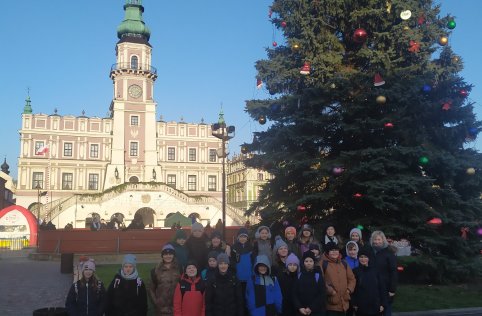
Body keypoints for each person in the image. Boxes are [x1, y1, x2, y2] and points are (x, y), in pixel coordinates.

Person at [321, 242, 356, 316]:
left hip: (344, 302)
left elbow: (352, 279)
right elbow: (319, 281)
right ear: (327, 252)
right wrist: (330, 291)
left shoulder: (344, 263)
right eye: (332, 250)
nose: (334, 252)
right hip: (330, 304)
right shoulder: (322, 264)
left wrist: (349, 290)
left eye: (336, 250)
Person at [352, 247, 387, 316]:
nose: (363, 259)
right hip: (361, 306)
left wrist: (383, 304)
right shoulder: (355, 271)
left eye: (365, 257)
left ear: (369, 258)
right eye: (361, 257)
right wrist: (354, 303)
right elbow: (353, 289)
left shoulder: (376, 271)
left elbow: (382, 288)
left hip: (376, 305)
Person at [370, 231, 397, 316]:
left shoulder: (389, 253)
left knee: (386, 310)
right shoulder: (370, 252)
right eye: (375, 239)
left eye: (379, 239)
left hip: (386, 287)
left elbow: (394, 272)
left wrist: (392, 289)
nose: (377, 241)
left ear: (383, 240)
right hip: (373, 287)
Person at [149, 244, 181, 316]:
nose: (168, 256)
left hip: (176, 306)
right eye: (165, 254)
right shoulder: (155, 270)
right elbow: (151, 289)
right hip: (161, 309)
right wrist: (156, 302)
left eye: (170, 254)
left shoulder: (179, 269)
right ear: (162, 256)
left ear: (173, 255)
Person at [292, 251, 326, 316]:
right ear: (303, 262)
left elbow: (322, 293)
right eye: (306, 261)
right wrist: (299, 307)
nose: (308, 263)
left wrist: (311, 308)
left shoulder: (318, 275)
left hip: (316, 311)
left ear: (314, 262)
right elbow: (294, 293)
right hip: (301, 311)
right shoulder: (299, 275)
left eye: (311, 261)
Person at [231, 227, 253, 295]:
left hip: (249, 275)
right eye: (241, 237)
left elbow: (253, 260)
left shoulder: (250, 247)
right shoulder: (234, 247)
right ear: (238, 238)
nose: (243, 238)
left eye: (244, 237)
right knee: (239, 293)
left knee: (248, 292)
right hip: (238, 275)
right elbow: (232, 260)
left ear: (247, 238)